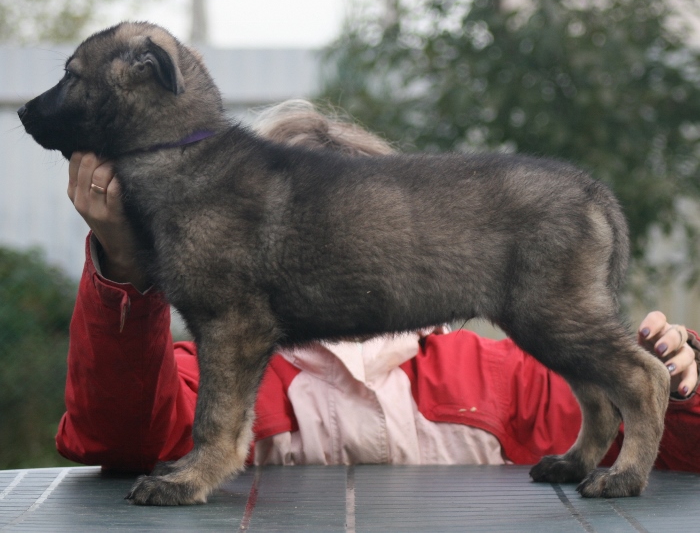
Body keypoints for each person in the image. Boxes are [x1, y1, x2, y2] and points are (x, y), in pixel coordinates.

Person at [58, 100, 700, 473]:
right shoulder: (215, 369)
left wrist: (685, 387)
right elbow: (118, 443)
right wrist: (125, 263)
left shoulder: (505, 372)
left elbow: (672, 458)